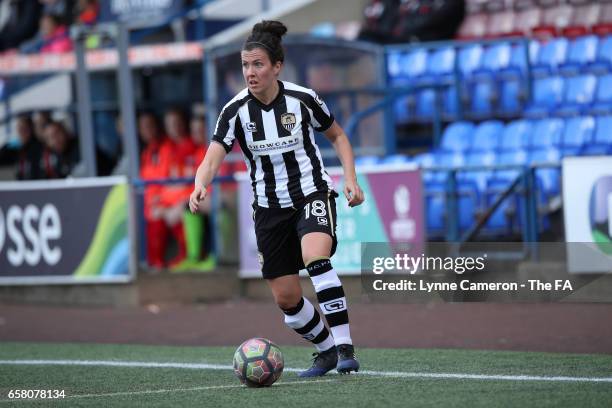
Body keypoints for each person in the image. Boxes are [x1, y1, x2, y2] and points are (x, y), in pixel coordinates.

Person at [189, 20, 364, 377]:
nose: (250, 73)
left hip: (311, 193)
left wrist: (350, 179)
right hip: (268, 209)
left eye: (258, 65)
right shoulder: (234, 111)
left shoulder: (303, 99)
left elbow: (339, 137)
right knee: (286, 300)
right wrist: (199, 184)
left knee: (315, 258)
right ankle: (326, 351)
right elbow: (212, 156)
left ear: (277, 66)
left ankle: (346, 350)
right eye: (245, 65)